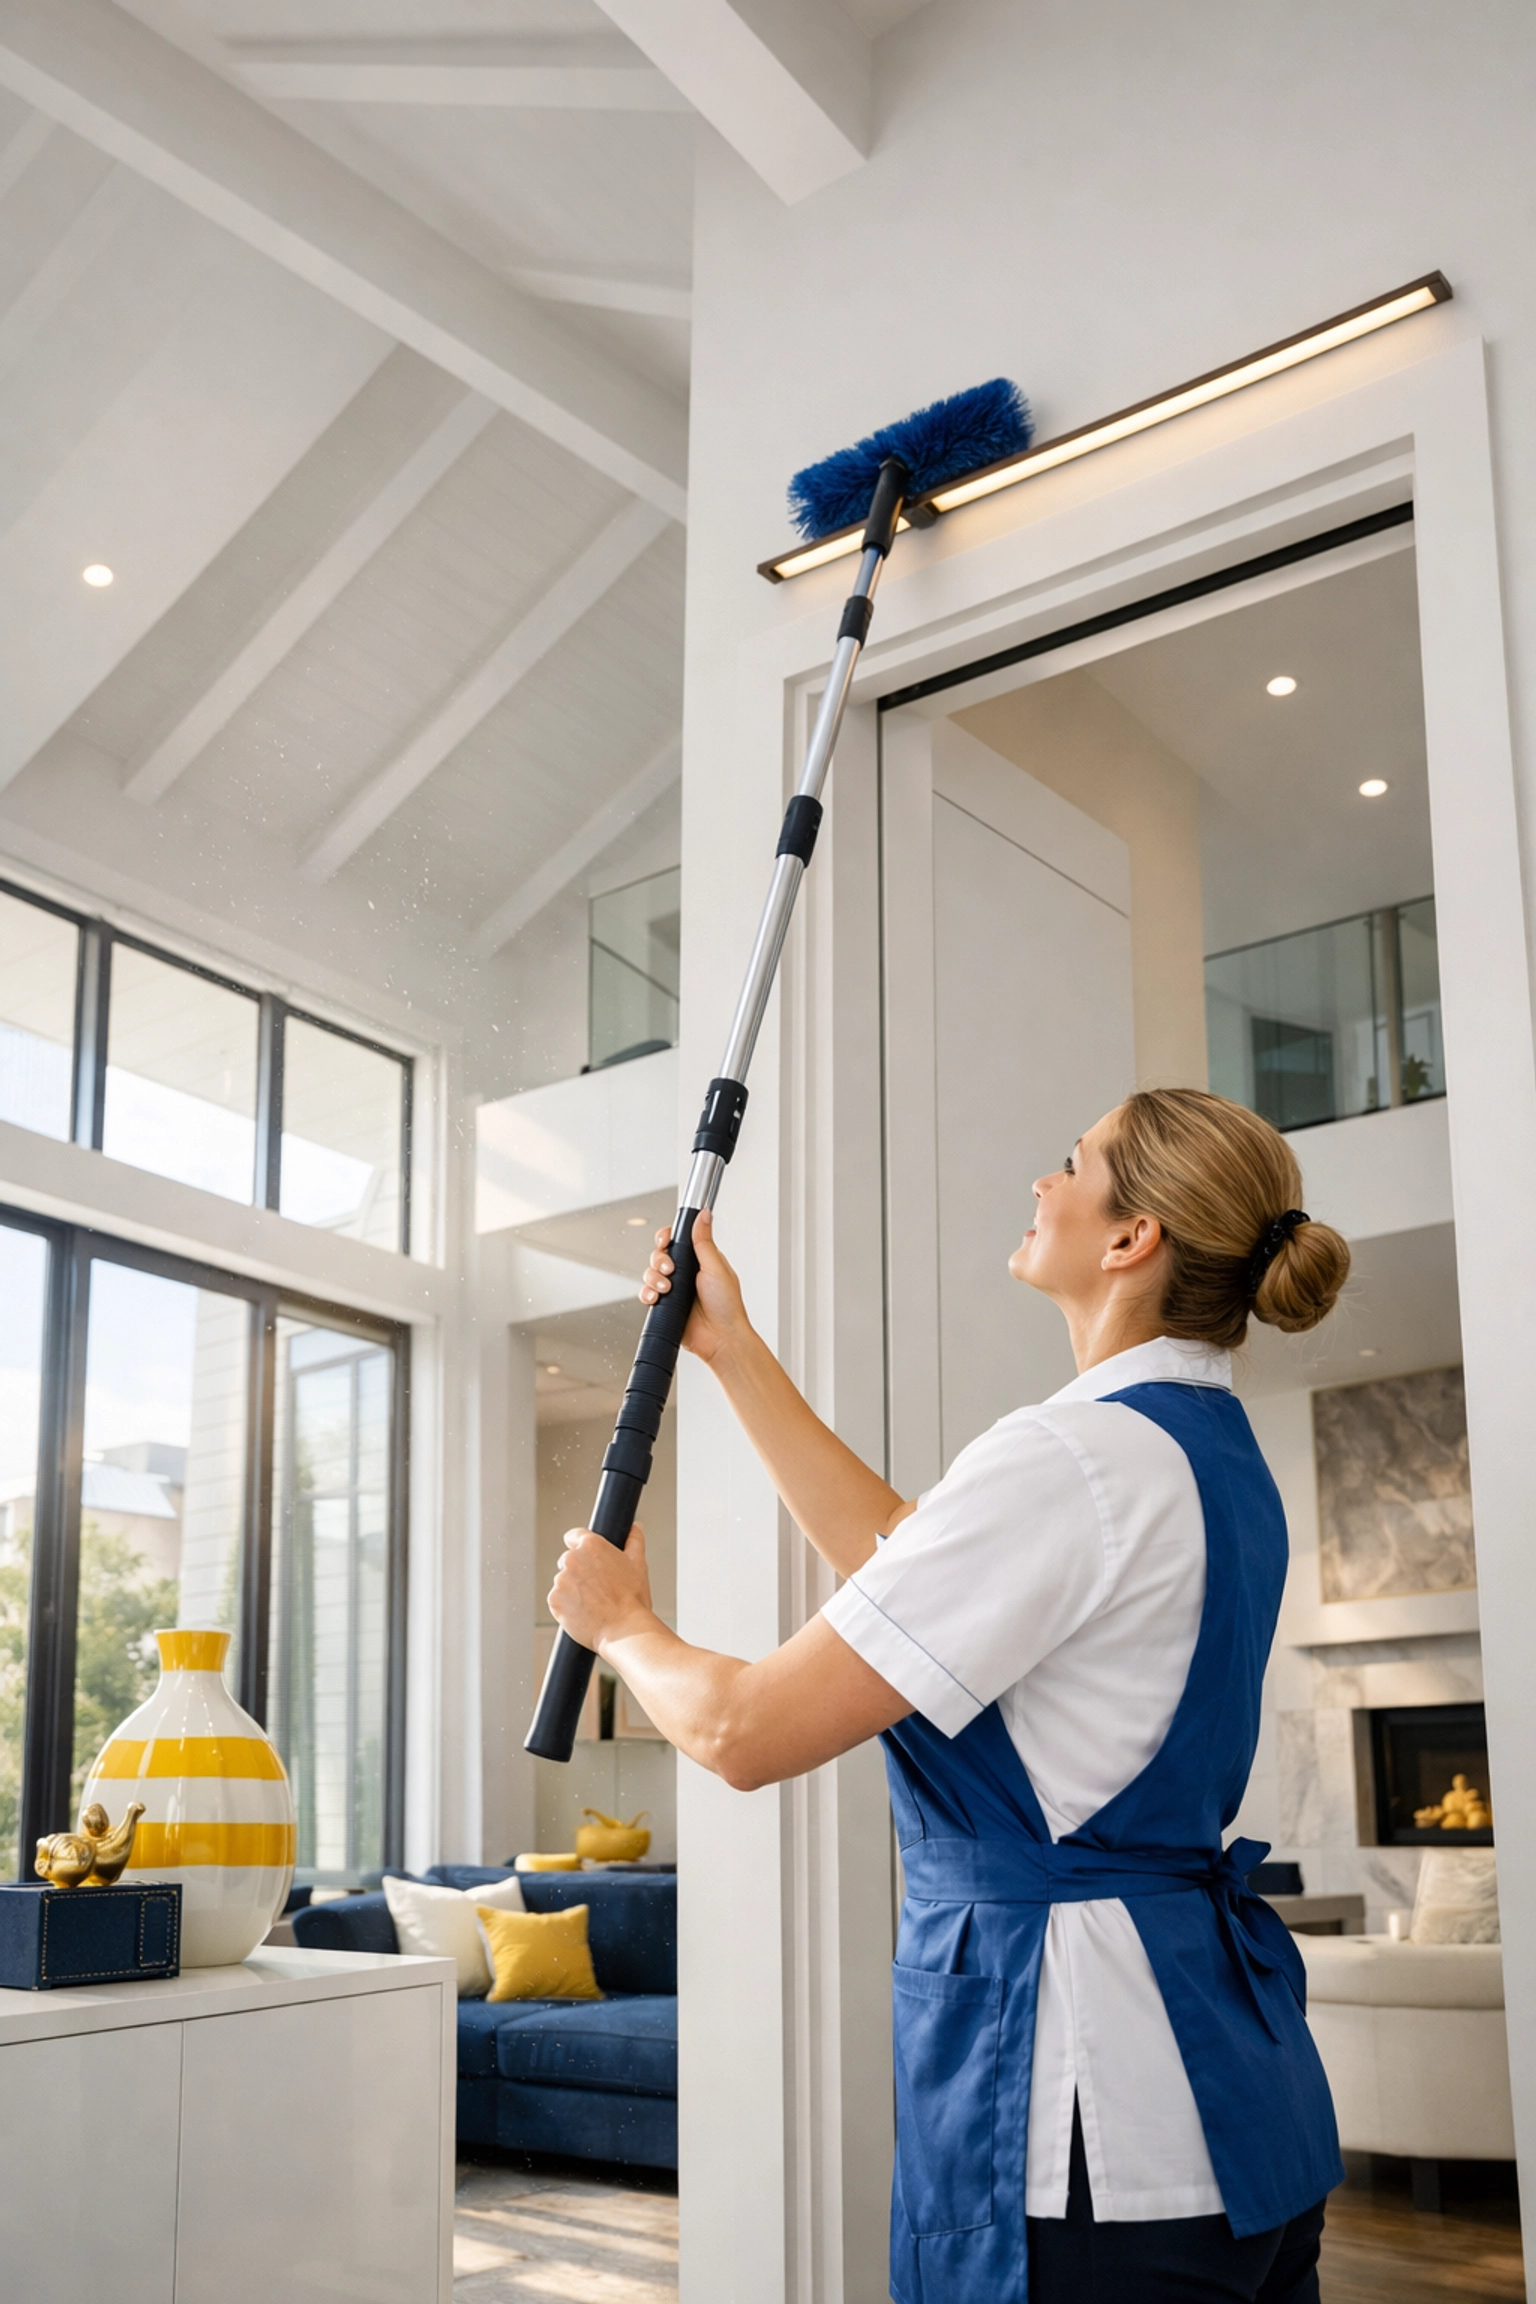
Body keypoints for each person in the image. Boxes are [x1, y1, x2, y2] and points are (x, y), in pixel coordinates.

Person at [549, 1087, 1351, 2304]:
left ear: (1132, 1239)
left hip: (1091, 2139)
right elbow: (907, 1563)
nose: (1043, 1183)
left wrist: (624, 1628)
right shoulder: (1207, 1453)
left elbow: (741, 1730)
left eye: (1068, 1161)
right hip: (1242, 2117)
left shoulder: (1068, 1457)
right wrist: (731, 1349)